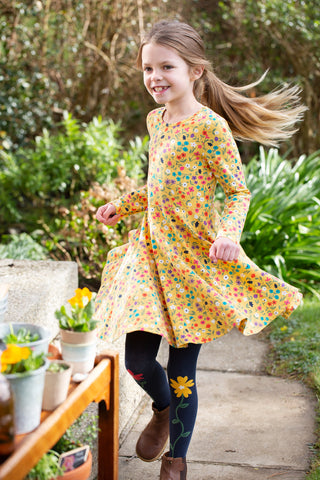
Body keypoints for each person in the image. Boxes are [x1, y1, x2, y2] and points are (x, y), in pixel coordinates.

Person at [95, 20, 305, 480]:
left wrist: (229, 232)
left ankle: (177, 461)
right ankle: (162, 409)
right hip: (151, 260)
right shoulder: (156, 121)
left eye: (166, 66)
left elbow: (236, 191)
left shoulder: (211, 127)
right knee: (135, 362)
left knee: (182, 370)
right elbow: (157, 187)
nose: (155, 76)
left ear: (194, 70)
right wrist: (121, 205)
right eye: (148, 68)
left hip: (192, 266)